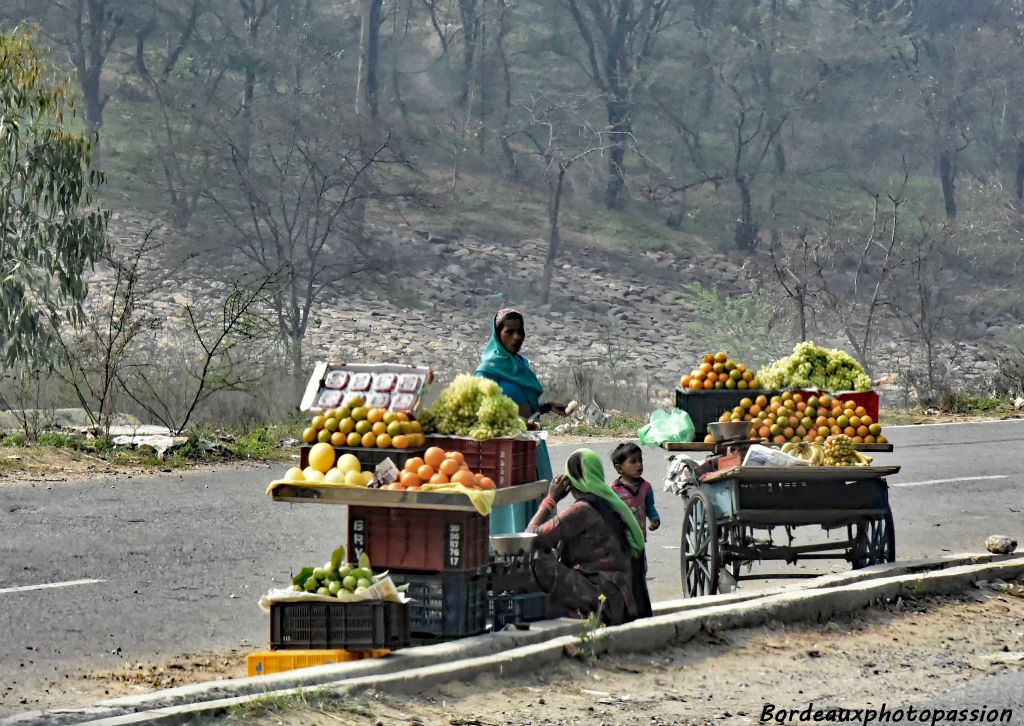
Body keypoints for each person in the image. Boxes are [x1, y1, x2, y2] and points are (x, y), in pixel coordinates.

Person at [526, 449, 653, 625]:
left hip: (604, 602)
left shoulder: (582, 510)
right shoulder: (611, 503)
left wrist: (550, 499)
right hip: (623, 602)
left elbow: (529, 538)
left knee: (535, 557)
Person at [610, 442, 661, 538]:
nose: (639, 465)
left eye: (640, 460)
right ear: (619, 468)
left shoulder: (646, 487)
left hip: (639, 537)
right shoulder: (614, 489)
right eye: (633, 461)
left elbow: (649, 506)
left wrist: (654, 518)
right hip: (620, 537)